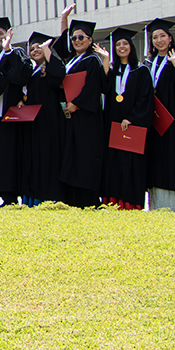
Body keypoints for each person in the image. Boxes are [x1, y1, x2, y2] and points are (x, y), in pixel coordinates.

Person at [55, 14, 107, 208]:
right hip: (70, 116)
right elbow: (60, 47)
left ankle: (88, 200)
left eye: (81, 37)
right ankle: (72, 199)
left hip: (85, 117)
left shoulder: (93, 60)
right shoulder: (70, 61)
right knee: (72, 155)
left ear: (90, 40)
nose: (77, 41)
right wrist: (63, 19)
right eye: (74, 38)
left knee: (85, 156)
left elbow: (93, 86)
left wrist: (76, 104)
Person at [98, 27, 152, 210]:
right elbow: (104, 87)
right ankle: (111, 201)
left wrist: (132, 117)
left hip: (132, 124)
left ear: (131, 46)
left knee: (131, 162)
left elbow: (145, 97)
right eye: (118, 44)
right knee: (112, 162)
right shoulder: (112, 70)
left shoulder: (141, 71)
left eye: (125, 44)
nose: (121, 47)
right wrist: (105, 60)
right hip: (112, 122)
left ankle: (130, 202)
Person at [0, 17, 31, 207]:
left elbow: (19, 77)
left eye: (0, 34)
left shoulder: (16, 52)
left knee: (8, 155)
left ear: (7, 35)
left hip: (10, 112)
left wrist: (8, 50)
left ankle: (10, 197)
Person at [142, 18, 175, 212]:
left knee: (170, 158)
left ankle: (173, 206)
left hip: (171, 121)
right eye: (155, 37)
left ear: (170, 38)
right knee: (152, 159)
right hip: (151, 120)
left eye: (163, 36)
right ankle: (155, 205)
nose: (159, 40)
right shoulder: (147, 64)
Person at [17, 30, 65, 206]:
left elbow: (58, 76)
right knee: (33, 158)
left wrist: (47, 51)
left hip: (49, 121)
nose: (35, 50)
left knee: (48, 158)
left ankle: (49, 197)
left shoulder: (50, 67)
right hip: (33, 122)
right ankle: (33, 198)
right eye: (32, 48)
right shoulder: (32, 71)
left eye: (40, 47)